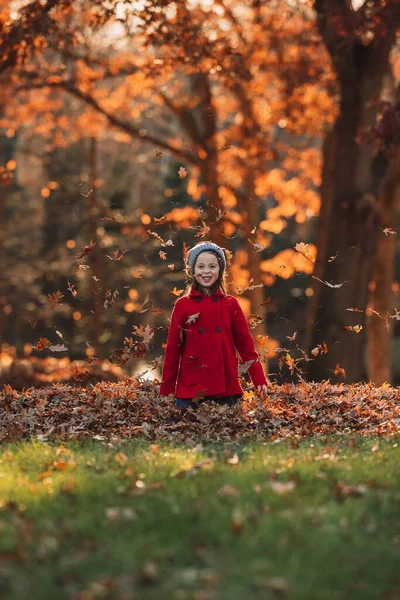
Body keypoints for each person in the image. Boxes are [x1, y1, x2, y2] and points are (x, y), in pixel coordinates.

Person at [159, 241, 269, 409]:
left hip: (226, 386)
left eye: (212, 266)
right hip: (191, 386)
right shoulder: (182, 305)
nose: (206, 271)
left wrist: (258, 378)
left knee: (230, 429)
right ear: (192, 271)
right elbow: (173, 350)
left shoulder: (231, 304)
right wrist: (166, 390)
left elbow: (246, 345)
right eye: (201, 266)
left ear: (220, 271)